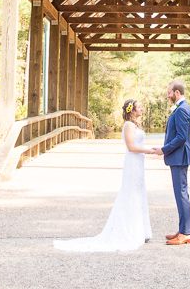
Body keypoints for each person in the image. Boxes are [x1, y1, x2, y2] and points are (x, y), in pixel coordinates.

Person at [53, 99, 153, 252]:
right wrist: (150, 150)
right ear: (132, 111)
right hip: (132, 163)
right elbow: (131, 147)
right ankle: (131, 230)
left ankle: (141, 230)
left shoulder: (136, 125)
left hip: (139, 164)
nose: (141, 109)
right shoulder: (128, 125)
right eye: (139, 107)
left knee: (139, 193)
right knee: (130, 193)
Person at [151, 80, 190, 245]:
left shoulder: (182, 109)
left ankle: (186, 233)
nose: (167, 95)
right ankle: (183, 229)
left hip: (179, 157)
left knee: (181, 194)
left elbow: (181, 137)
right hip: (178, 157)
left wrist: (164, 149)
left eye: (169, 92)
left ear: (177, 92)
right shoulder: (181, 108)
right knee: (180, 193)